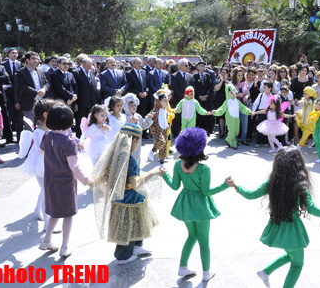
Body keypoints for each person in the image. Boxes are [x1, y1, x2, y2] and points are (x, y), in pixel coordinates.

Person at [225, 146, 320, 288]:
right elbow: (311, 207)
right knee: (297, 264)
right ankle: (268, 273)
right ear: (299, 164)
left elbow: (251, 194)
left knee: (291, 255)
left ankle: (265, 272)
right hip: (292, 230)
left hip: (277, 225)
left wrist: (235, 185)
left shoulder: (271, 183)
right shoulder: (300, 185)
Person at [160, 127, 230, 281]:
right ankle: (206, 274)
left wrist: (164, 175)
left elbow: (174, 186)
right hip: (201, 208)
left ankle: (182, 267)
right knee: (204, 241)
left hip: (185, 206)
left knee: (191, 236)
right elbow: (206, 192)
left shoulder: (178, 165)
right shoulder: (204, 169)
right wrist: (225, 185)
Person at [92, 123, 161, 264]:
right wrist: (153, 173)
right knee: (127, 226)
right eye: (138, 141)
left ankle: (136, 247)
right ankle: (123, 256)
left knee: (133, 224)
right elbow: (135, 183)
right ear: (133, 141)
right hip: (131, 199)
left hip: (121, 197)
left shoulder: (114, 157)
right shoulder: (130, 161)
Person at [38, 104, 91, 257]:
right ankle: (64, 247)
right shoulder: (68, 142)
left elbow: (41, 152)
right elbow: (74, 166)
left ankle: (46, 240)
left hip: (50, 180)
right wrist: (86, 180)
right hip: (65, 183)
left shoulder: (47, 136)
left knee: (54, 212)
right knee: (68, 215)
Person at [19, 99, 57, 231]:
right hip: (42, 164)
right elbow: (44, 150)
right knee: (48, 192)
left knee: (45, 189)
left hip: (50, 163)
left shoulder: (51, 128)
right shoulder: (38, 132)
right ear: (46, 114)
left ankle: (37, 209)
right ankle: (48, 225)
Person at [14, 52, 49, 129]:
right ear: (27, 60)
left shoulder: (40, 71)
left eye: (37, 59)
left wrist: (44, 89)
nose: (36, 60)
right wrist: (36, 92)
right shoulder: (21, 72)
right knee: (29, 126)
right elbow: (22, 86)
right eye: (33, 58)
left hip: (41, 102)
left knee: (42, 125)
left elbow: (46, 83)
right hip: (28, 102)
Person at [212, 84, 253, 150]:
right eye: (230, 92)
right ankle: (233, 144)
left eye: (233, 92)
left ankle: (228, 139)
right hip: (230, 118)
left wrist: (249, 111)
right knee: (231, 131)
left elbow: (243, 108)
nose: (232, 93)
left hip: (236, 118)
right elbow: (221, 109)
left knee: (236, 131)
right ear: (227, 93)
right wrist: (215, 112)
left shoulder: (238, 101)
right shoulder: (227, 102)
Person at [123, 93, 154, 163]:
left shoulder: (138, 116)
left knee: (137, 159)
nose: (134, 107)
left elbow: (143, 125)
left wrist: (148, 119)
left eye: (135, 105)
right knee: (129, 160)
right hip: (129, 143)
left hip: (138, 142)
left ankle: (136, 172)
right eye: (131, 106)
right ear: (126, 106)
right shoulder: (124, 118)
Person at [72, 57, 99, 137]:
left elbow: (93, 87)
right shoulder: (75, 72)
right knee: (80, 123)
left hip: (92, 102)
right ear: (82, 64)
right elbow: (74, 89)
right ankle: (80, 139)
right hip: (81, 103)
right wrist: (75, 103)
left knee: (91, 121)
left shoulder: (91, 72)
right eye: (88, 66)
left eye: (91, 65)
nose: (90, 67)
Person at [150, 90, 174, 167]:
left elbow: (164, 119)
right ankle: (152, 151)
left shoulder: (164, 111)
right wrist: (149, 117)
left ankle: (161, 164)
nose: (167, 102)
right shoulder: (155, 111)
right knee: (161, 142)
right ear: (159, 101)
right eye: (165, 101)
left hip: (164, 129)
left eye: (167, 101)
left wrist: (166, 125)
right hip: (157, 130)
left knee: (164, 147)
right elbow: (149, 117)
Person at [170, 59, 195, 136]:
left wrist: (190, 96)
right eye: (186, 65)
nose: (188, 67)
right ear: (180, 66)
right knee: (177, 116)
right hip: (179, 99)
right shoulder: (174, 76)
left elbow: (193, 87)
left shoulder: (190, 76)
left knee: (187, 115)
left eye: (188, 65)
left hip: (189, 100)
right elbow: (175, 88)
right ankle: (176, 132)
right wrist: (183, 96)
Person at [194, 61, 215, 135]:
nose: (202, 67)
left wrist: (207, 95)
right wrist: (199, 95)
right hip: (198, 98)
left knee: (205, 113)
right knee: (198, 114)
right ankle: (198, 129)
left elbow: (210, 86)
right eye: (201, 66)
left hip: (206, 98)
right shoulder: (195, 76)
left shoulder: (207, 75)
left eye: (203, 66)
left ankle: (205, 130)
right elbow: (195, 87)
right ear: (198, 67)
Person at [231, 67, 250, 145]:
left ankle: (243, 139)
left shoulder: (245, 83)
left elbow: (248, 93)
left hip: (243, 105)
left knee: (245, 123)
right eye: (238, 75)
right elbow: (229, 96)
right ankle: (235, 139)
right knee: (236, 123)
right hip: (235, 105)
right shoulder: (231, 84)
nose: (240, 77)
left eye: (241, 75)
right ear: (235, 76)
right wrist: (238, 95)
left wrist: (246, 96)